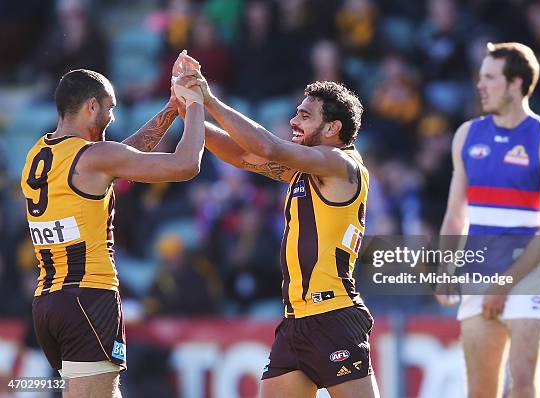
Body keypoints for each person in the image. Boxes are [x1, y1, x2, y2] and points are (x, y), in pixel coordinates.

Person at [175, 54, 379, 397]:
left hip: (333, 316)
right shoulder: (307, 168)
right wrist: (190, 110)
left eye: (304, 115)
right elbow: (240, 154)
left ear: (332, 129)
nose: (293, 120)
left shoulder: (339, 163)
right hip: (296, 321)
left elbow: (266, 146)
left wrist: (209, 100)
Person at [20, 53, 205, 398]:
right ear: (91, 106)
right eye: (110, 108)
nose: (112, 117)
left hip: (48, 302)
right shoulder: (94, 156)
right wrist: (195, 104)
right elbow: (186, 164)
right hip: (88, 297)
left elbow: (122, 157)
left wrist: (169, 109)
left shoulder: (38, 154)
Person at [436, 42, 540, 398]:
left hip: (527, 276)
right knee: (480, 392)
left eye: (490, 78)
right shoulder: (467, 135)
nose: (480, 85)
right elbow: (455, 215)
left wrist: (504, 284)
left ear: (515, 83)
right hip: (478, 273)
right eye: (480, 77)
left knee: (524, 387)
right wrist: (444, 269)